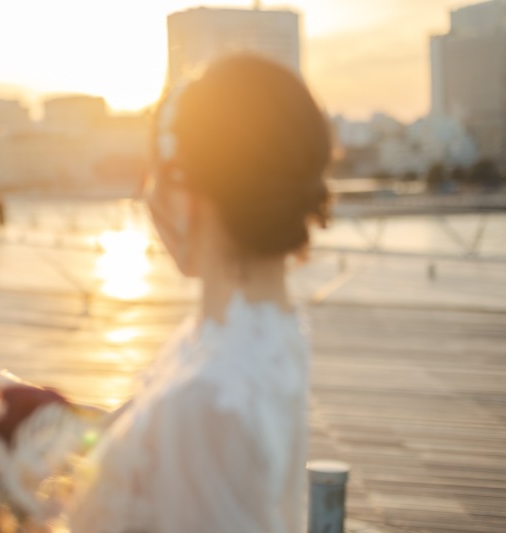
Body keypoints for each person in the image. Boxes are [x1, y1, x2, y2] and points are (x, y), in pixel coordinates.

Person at [68, 53, 332, 532]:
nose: (145, 197)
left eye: (149, 173)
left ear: (180, 185)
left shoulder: (206, 403)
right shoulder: (268, 330)